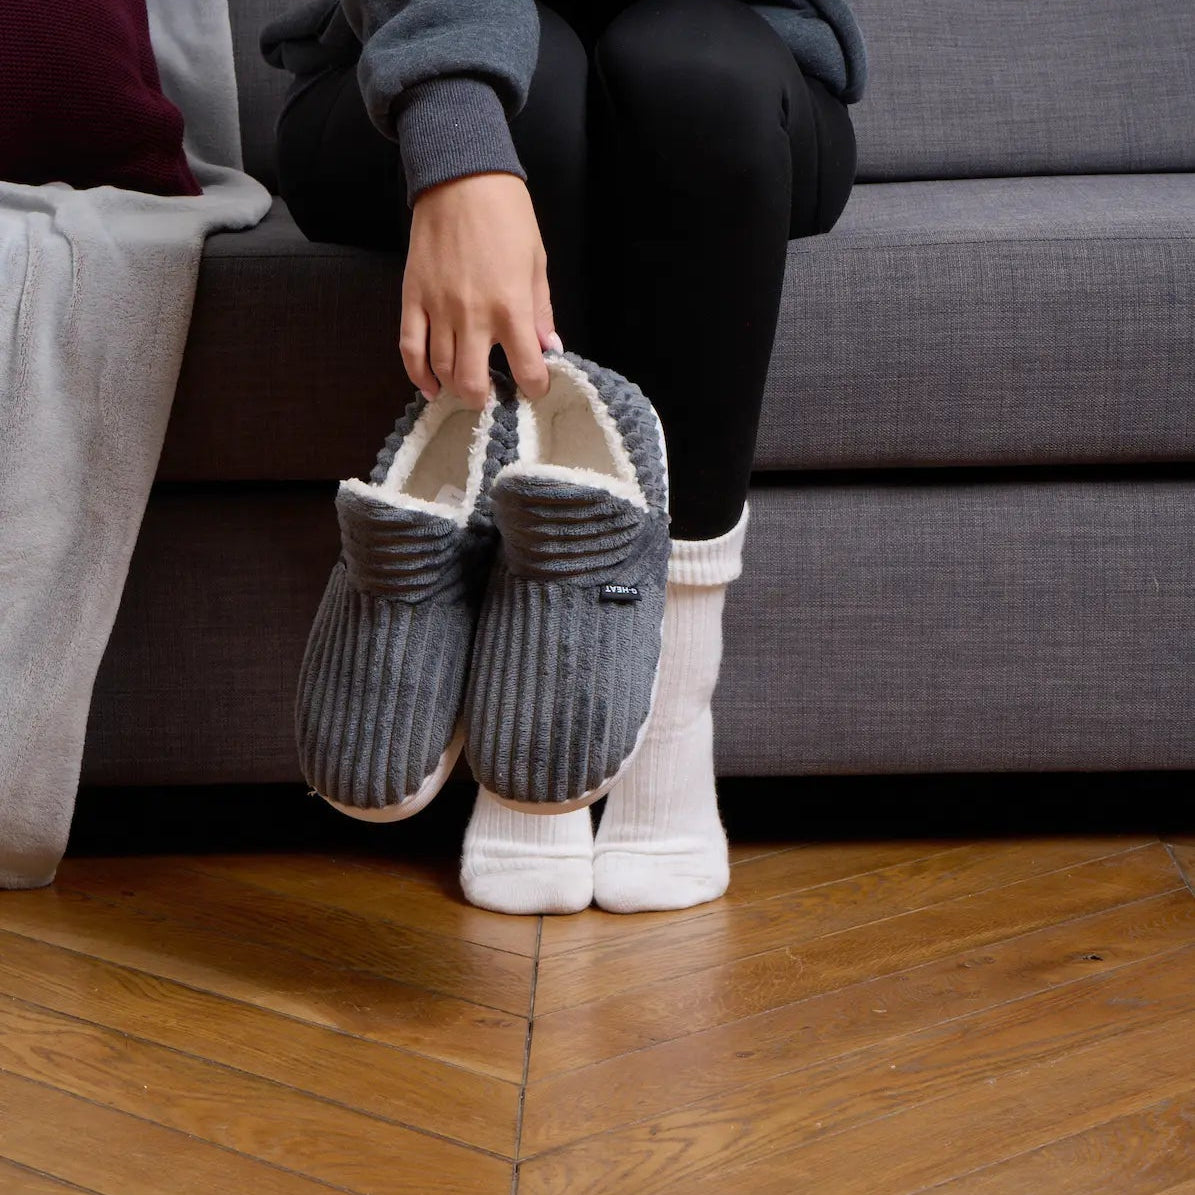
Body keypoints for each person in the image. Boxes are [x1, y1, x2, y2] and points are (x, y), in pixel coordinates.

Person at [261, 0, 867, 916]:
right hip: (404, 64)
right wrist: (457, 133)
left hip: (735, 82)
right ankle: (532, 708)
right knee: (530, 72)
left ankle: (664, 718)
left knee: (692, 69)